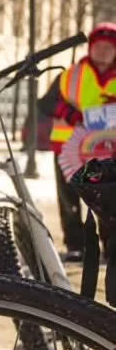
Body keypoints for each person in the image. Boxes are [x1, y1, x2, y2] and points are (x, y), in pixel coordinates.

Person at [43, 22, 116, 261]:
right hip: (68, 149)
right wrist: (68, 112)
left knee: (107, 197)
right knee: (69, 198)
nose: (103, 51)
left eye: (109, 47)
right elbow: (45, 103)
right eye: (99, 46)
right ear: (90, 48)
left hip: (108, 150)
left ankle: (110, 246)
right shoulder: (70, 75)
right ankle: (76, 246)